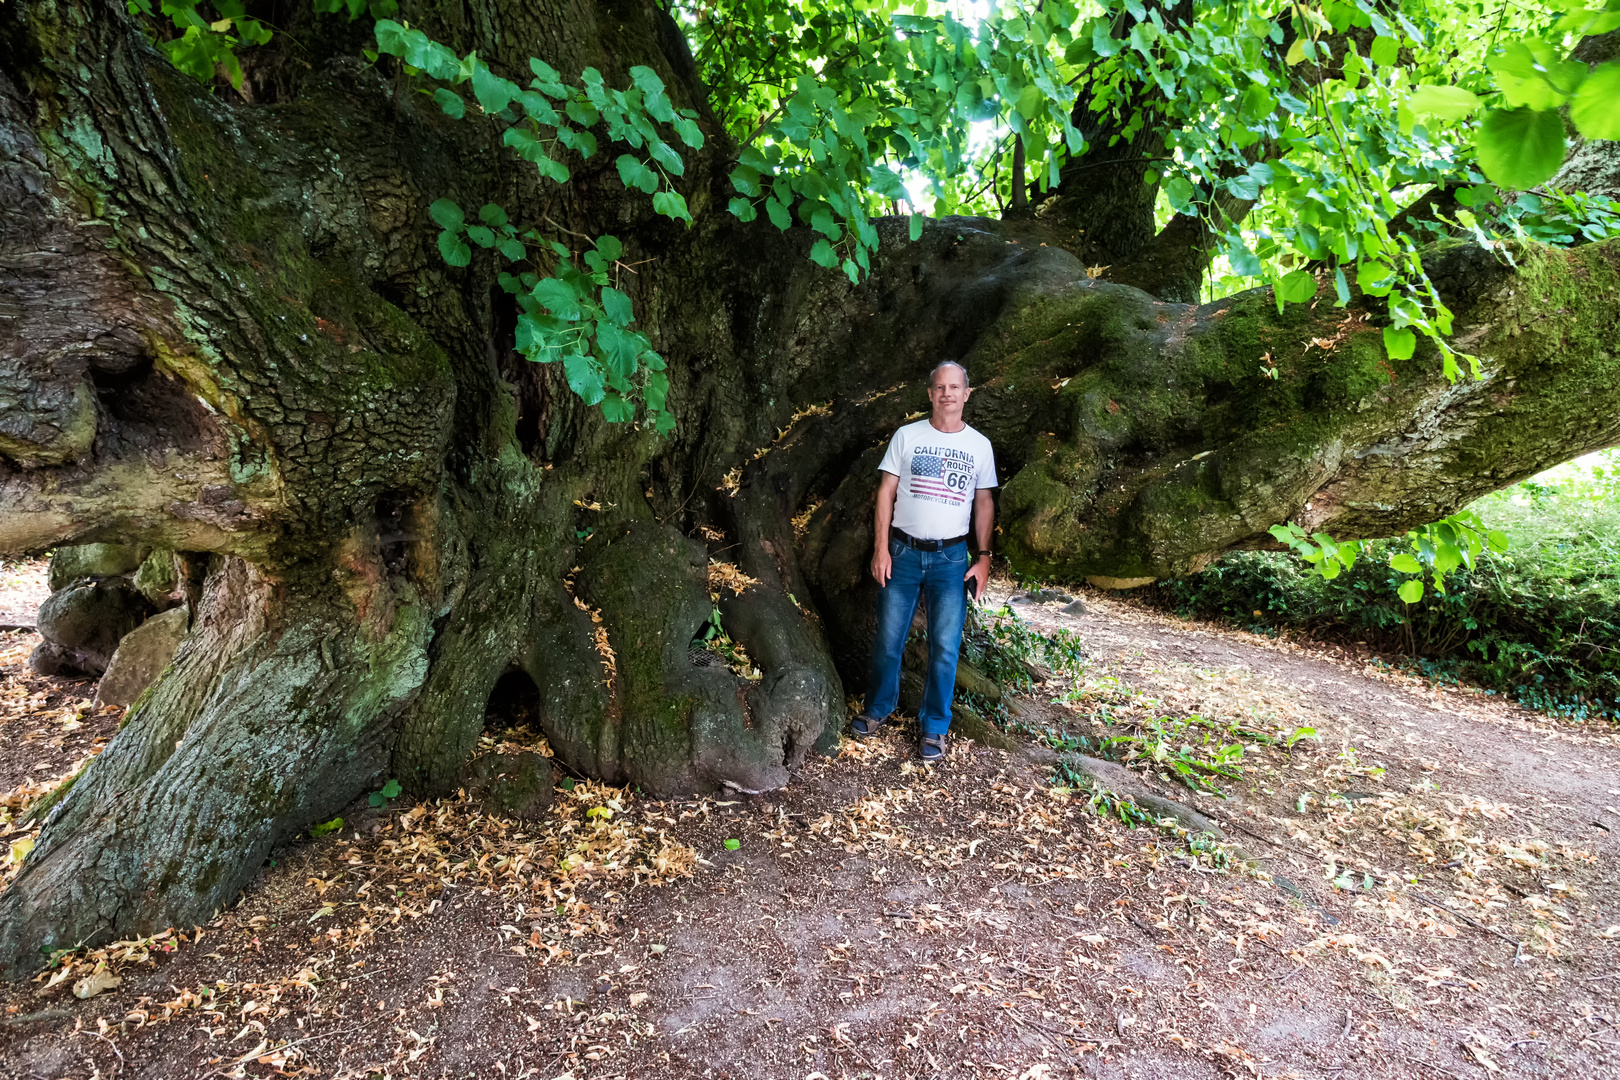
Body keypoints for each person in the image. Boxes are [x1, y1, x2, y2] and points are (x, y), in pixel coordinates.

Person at [852, 360, 997, 762]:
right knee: (888, 641)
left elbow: (984, 502)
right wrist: (880, 548)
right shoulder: (907, 436)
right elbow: (886, 492)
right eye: (940, 387)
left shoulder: (979, 446)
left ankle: (934, 726)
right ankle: (878, 709)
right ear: (930, 394)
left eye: (955, 387)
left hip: (952, 558)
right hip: (902, 553)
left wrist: (983, 557)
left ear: (966, 394)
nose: (947, 393)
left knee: (946, 647)